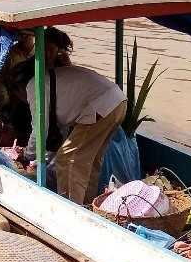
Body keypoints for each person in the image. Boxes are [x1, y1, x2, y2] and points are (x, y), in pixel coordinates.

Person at [19, 54, 127, 205]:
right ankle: (88, 204)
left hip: (101, 107)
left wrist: (28, 156)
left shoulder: (34, 85)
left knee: (67, 159)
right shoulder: (54, 81)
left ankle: (71, 207)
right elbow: (56, 135)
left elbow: (40, 129)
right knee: (90, 160)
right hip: (117, 102)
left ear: (19, 87)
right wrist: (42, 160)